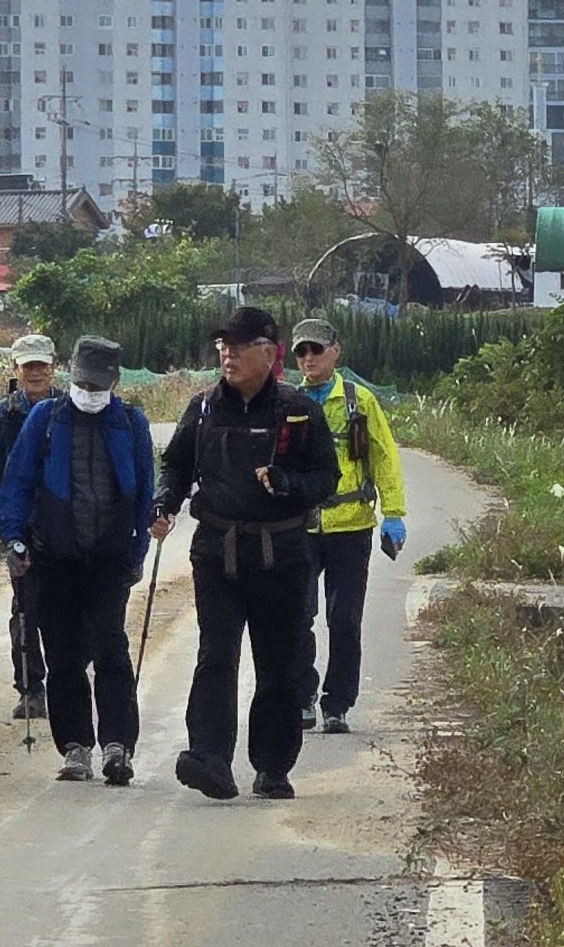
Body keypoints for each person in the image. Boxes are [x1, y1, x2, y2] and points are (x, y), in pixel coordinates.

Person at [152, 304, 339, 801]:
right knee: (216, 656)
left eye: (238, 347)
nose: (227, 356)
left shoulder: (299, 411)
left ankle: (273, 767)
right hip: (218, 551)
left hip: (283, 553)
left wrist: (288, 483)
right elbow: (176, 466)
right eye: (223, 347)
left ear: (269, 352)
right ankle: (209, 758)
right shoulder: (203, 408)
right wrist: (164, 503)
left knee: (279, 663)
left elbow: (327, 478)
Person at [0, 333, 156, 786]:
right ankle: (75, 747)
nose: (89, 393)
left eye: (97, 386)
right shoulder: (45, 418)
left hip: (109, 559)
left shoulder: (131, 423)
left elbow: (145, 491)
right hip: (53, 558)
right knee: (63, 656)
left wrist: (138, 550)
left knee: (110, 650)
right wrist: (13, 537)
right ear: (70, 376)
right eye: (82, 384)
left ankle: (118, 745)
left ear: (114, 383)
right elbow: (17, 481)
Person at [285, 319, 408, 734]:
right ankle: (301, 696)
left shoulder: (359, 401)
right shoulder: (288, 401)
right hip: (300, 525)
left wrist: (394, 514)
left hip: (351, 525)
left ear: (335, 351)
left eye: (316, 350)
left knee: (344, 619)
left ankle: (337, 703)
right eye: (301, 352)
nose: (308, 359)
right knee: (295, 615)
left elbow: (384, 456)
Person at [0, 335, 61, 724]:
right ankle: (31, 688)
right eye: (28, 366)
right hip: (20, 526)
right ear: (16, 370)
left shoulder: (68, 408)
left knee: (67, 609)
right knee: (25, 609)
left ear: (53, 367)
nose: (35, 372)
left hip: (65, 526)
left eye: (41, 365)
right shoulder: (2, 416)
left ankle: (65, 683)